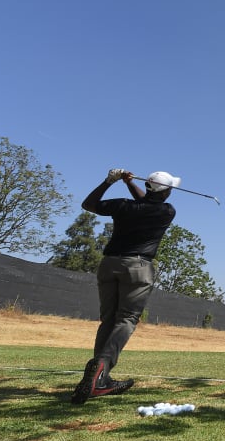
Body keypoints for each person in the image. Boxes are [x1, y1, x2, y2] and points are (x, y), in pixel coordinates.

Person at [70, 169, 179, 404]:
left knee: (108, 320)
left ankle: (100, 378)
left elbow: (89, 204)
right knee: (126, 319)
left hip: (109, 264)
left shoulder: (123, 206)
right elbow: (149, 202)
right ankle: (102, 367)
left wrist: (111, 181)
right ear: (167, 192)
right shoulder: (167, 211)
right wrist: (130, 183)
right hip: (138, 267)